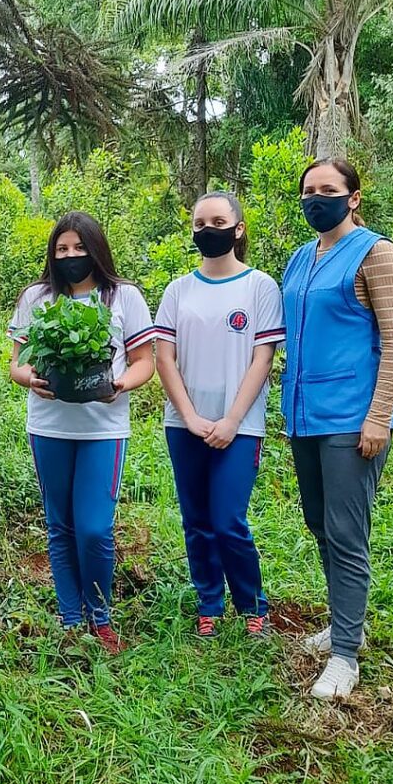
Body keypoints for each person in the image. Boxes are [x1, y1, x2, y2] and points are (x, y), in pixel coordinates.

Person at [282, 159, 393, 700]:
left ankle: (345, 656)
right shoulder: (301, 257)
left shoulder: (376, 253)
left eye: (328, 190)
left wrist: (378, 416)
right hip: (305, 414)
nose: (317, 198)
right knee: (319, 522)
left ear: (353, 198)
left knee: (346, 530)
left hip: (353, 419)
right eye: (309, 190)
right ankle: (344, 621)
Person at [8, 212, 155, 653]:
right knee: (60, 525)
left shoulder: (122, 296)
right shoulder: (38, 297)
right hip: (49, 425)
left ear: (96, 249)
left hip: (103, 429)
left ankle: (101, 615)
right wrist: (28, 378)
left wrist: (119, 385)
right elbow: (15, 362)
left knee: (94, 528)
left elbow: (144, 360)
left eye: (79, 248)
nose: (71, 256)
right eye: (62, 249)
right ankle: (71, 618)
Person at [155, 192, 284, 639]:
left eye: (218, 220)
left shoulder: (260, 287)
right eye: (199, 222)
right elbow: (164, 359)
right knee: (197, 521)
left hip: (240, 426)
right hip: (184, 425)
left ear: (238, 228)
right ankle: (209, 602)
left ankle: (252, 605)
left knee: (229, 520)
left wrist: (230, 421)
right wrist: (190, 416)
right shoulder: (178, 290)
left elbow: (261, 360)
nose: (208, 229)